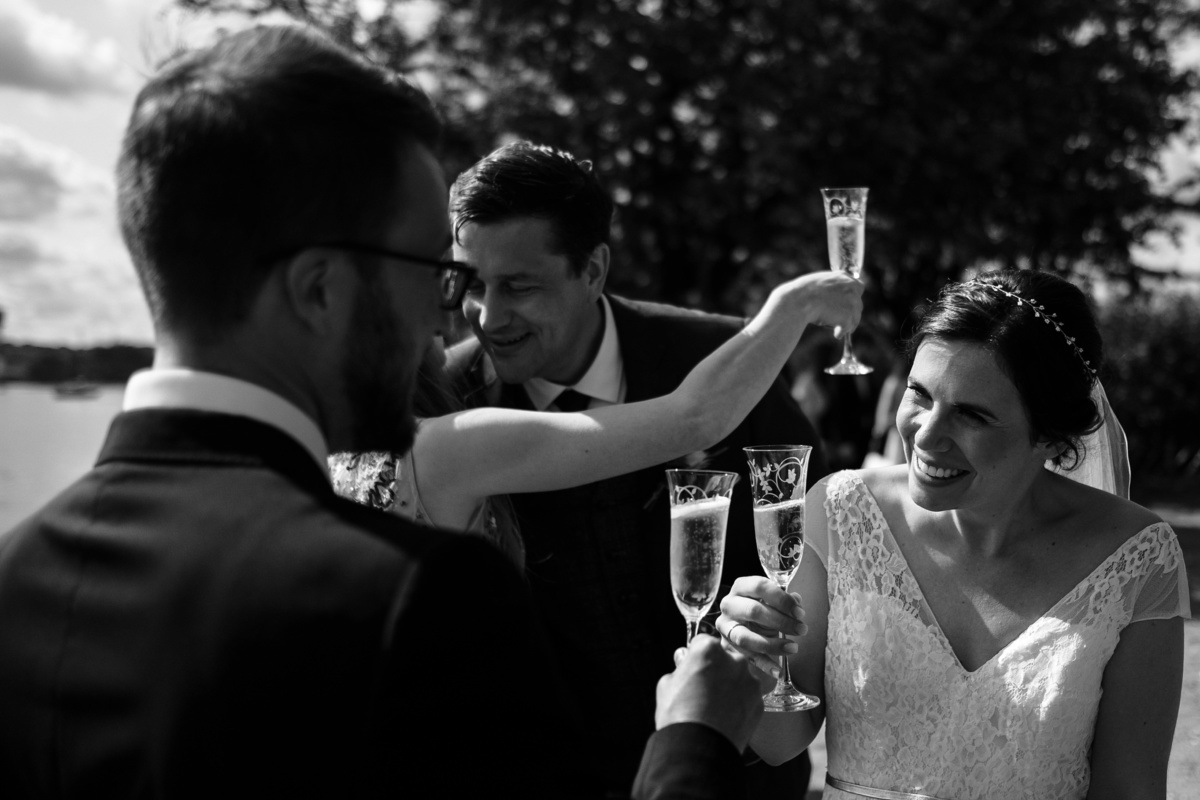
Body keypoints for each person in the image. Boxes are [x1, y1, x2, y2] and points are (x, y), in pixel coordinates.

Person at [0, 25, 767, 800]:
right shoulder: (420, 601)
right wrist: (692, 741)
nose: (452, 317)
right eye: (436, 269)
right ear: (320, 289)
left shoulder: (16, 581)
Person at [444, 141, 827, 796]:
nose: (487, 314)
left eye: (518, 286)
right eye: (470, 283)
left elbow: (812, 538)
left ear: (593, 270)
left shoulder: (728, 361)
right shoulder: (447, 406)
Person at [717, 269, 1189, 799]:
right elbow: (781, 742)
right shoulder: (840, 511)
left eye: (971, 415)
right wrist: (752, 659)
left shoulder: (1137, 556)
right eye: (919, 394)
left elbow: (1131, 788)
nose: (927, 434)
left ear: (1052, 438)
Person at [330, 267, 864, 571]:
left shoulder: (336, 457)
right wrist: (793, 305)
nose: (461, 314)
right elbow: (694, 417)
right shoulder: (446, 448)